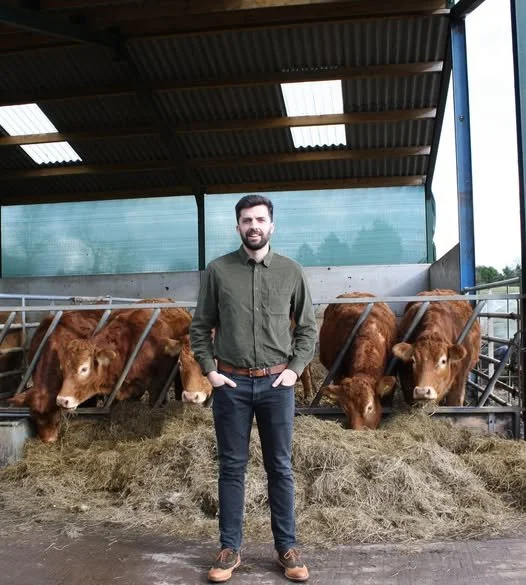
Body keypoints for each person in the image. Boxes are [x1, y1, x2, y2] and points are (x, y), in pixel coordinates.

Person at [190, 194, 317, 583]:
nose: (254, 226)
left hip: (277, 385)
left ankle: (287, 548)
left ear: (272, 225)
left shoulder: (291, 272)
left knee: (280, 467)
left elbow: (308, 328)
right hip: (231, 385)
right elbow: (200, 328)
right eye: (246, 220)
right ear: (238, 227)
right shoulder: (218, 271)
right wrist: (210, 371)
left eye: (260, 219)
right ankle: (229, 548)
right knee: (231, 466)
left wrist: (295, 371)